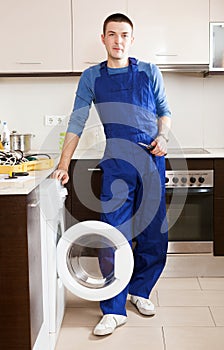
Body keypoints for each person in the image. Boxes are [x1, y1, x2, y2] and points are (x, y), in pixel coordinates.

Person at [53, 13, 171, 336]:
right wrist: (63, 164)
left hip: (150, 160)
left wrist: (163, 138)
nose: (118, 40)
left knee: (154, 234)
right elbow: (76, 123)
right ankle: (114, 307)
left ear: (132, 39)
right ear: (103, 39)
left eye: (124, 35)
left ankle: (140, 291)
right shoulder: (92, 77)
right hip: (116, 164)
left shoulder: (149, 71)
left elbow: (165, 113)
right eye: (112, 34)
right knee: (112, 235)